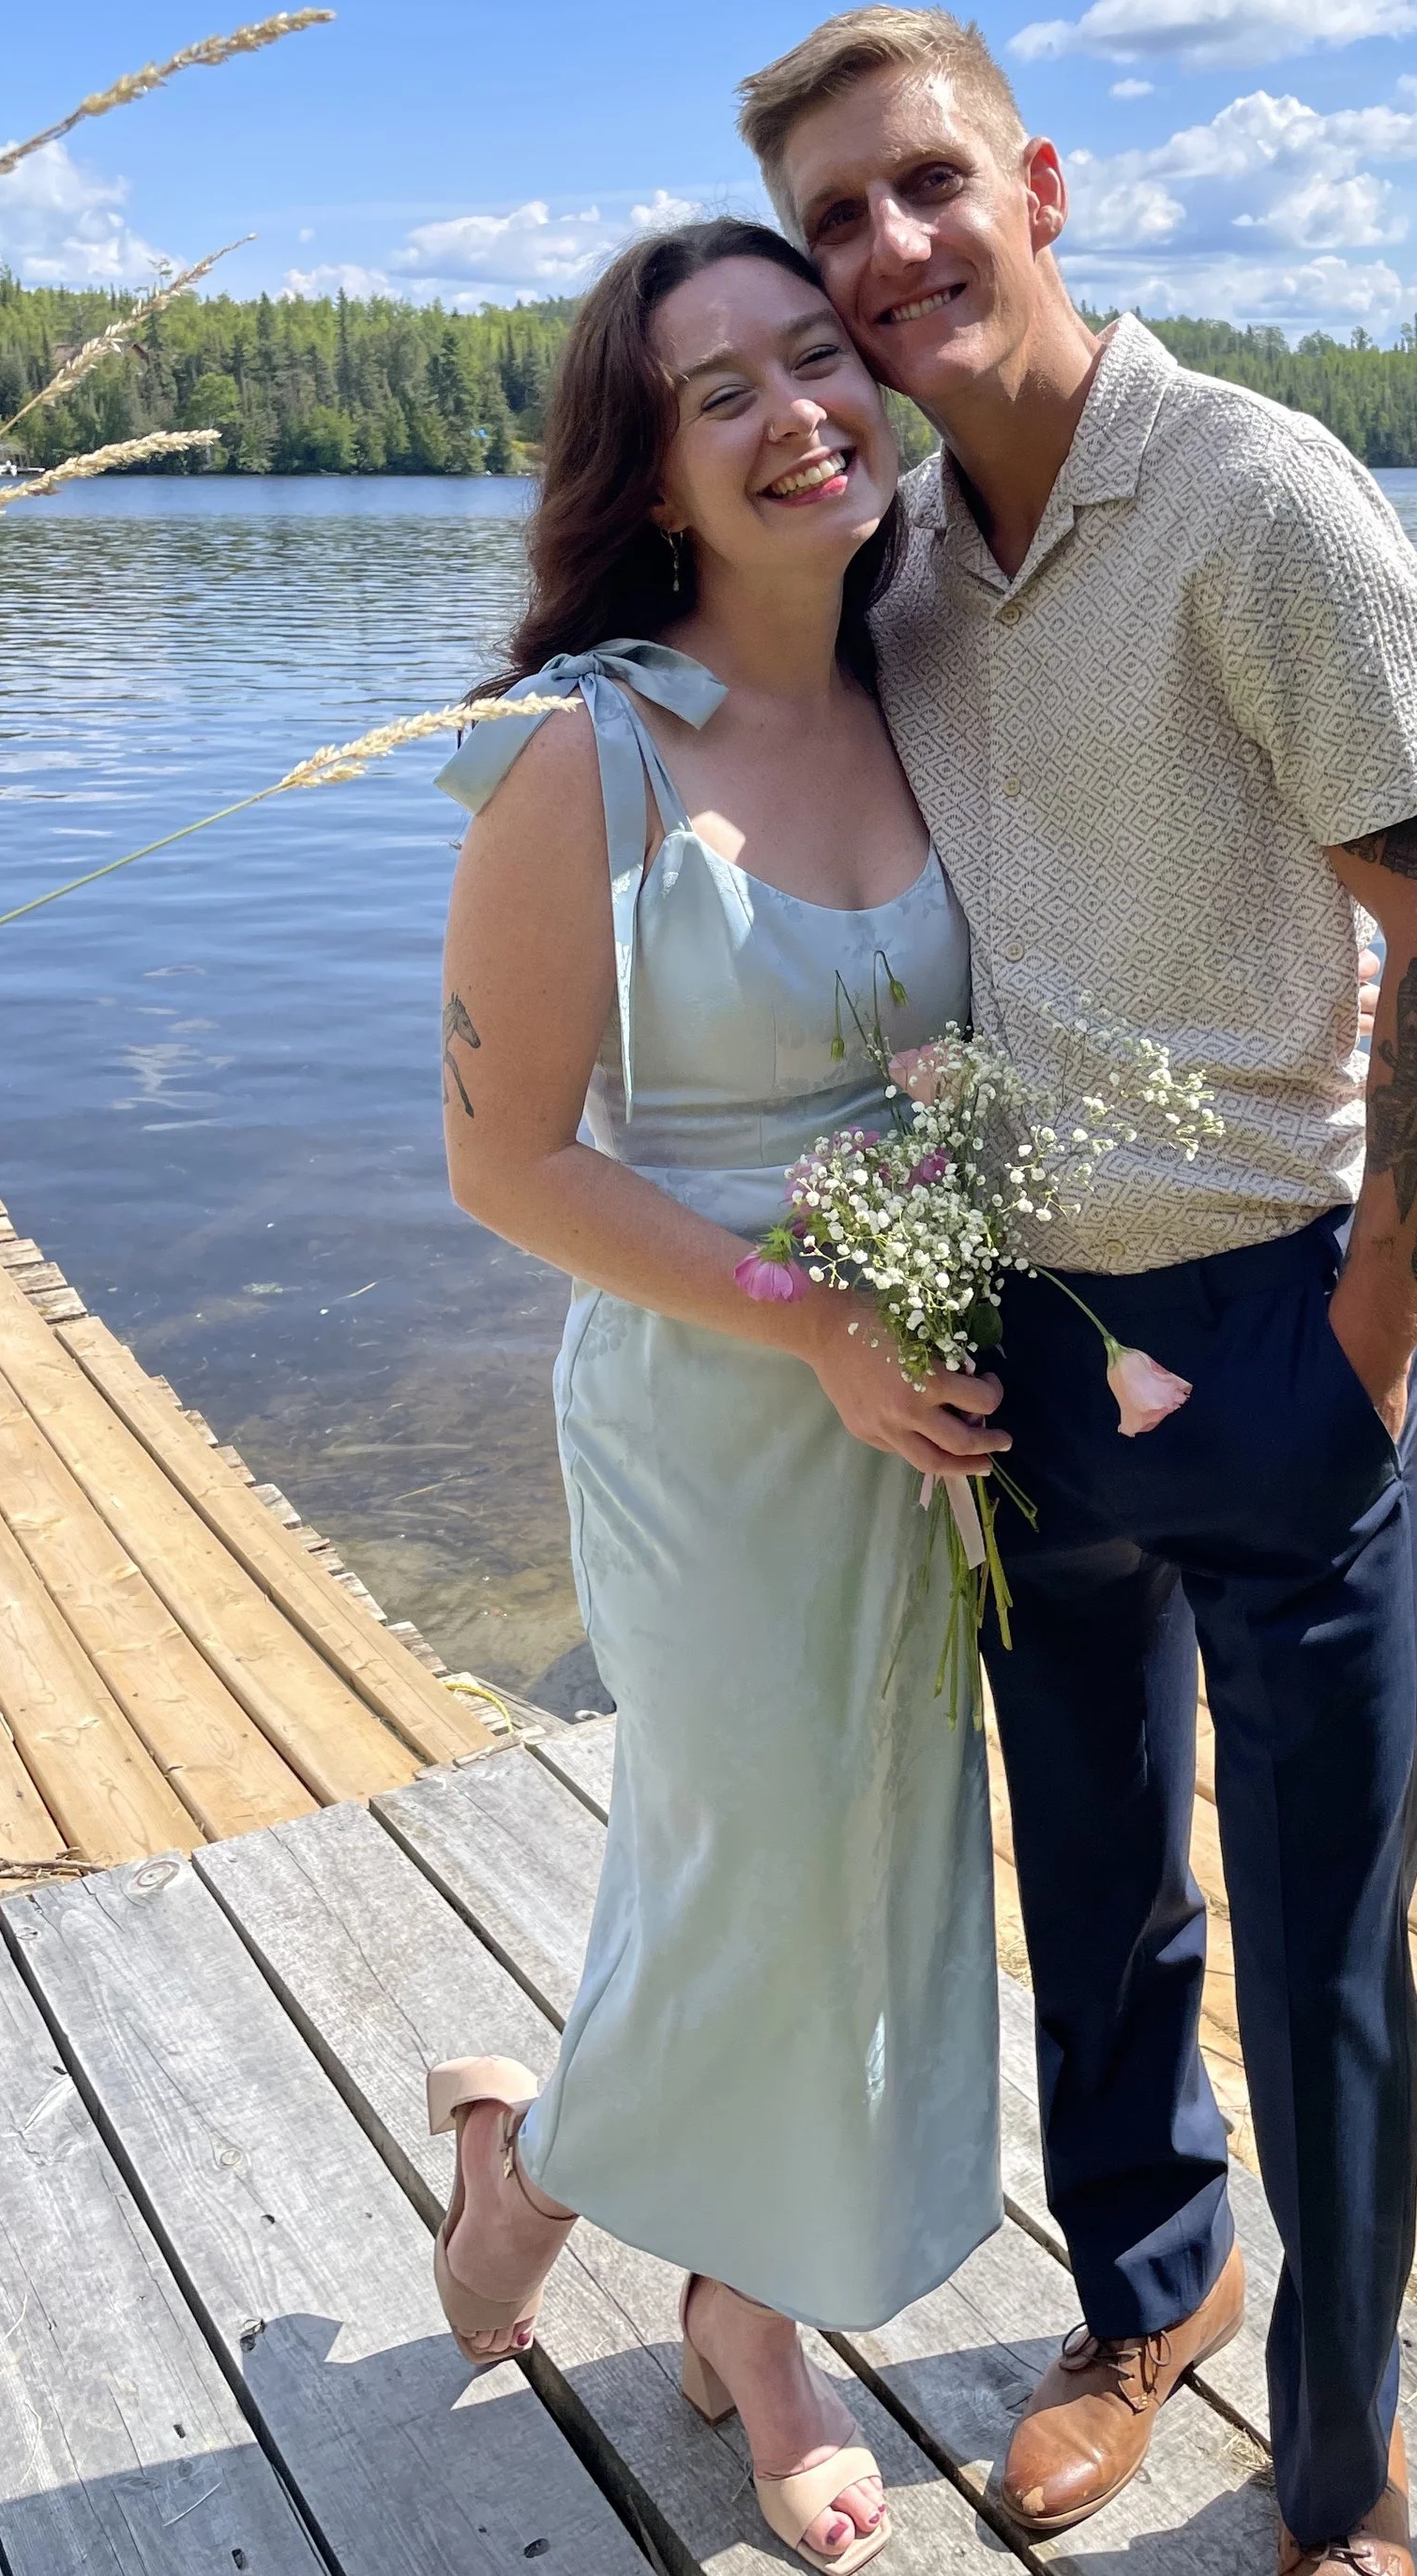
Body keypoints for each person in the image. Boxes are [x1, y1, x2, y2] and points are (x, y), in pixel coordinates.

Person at [734, 8, 1417, 2576]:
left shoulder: (1255, 500)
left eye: (920, 184)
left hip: (1279, 1315)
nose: (882, 253)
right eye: (832, 220)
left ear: (1038, 182)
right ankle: (1136, 2297)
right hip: (1025, 1347)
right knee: (1096, 1887)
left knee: (1317, 1954)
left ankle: (1347, 2452)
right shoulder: (906, 566)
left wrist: (1370, 1354)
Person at [423, 218, 1012, 2576]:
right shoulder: (580, 750)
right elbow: (499, 1157)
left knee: (858, 1881)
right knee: (749, 1858)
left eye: (817, 359)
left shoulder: (937, 695)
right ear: (649, 467)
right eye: (720, 394)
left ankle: (644, 2224)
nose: (798, 417)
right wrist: (810, 1321)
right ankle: (586, 2203)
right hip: (717, 1411)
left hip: (930, 1412)